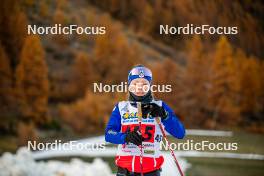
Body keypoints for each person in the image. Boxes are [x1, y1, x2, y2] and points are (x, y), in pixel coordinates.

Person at [105, 65, 185, 176]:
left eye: (144, 84)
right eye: (135, 83)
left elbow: (180, 133)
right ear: (129, 86)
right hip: (124, 172)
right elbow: (109, 134)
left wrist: (165, 115)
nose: (139, 88)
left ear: (150, 86)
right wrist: (126, 137)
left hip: (150, 172)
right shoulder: (121, 107)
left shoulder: (160, 106)